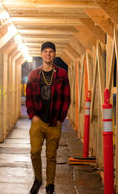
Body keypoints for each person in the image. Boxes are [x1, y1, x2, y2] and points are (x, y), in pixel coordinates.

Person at [26, 42, 71, 194]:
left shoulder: (62, 75)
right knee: (35, 152)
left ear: (54, 54)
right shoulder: (34, 75)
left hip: (54, 122)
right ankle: (38, 179)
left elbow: (66, 98)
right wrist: (32, 116)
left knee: (51, 155)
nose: (48, 54)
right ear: (41, 54)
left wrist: (61, 119)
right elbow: (29, 98)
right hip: (38, 122)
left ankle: (50, 185)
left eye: (51, 51)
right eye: (45, 51)